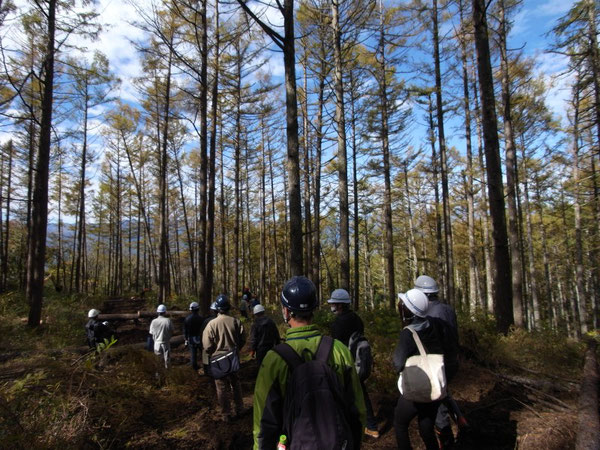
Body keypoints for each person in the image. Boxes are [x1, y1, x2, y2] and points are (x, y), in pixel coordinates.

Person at [253, 276, 366, 449]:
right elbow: (357, 410)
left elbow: (264, 423)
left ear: (286, 311)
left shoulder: (273, 360)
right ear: (314, 308)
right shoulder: (339, 350)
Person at [393, 289, 457, 450]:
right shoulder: (434, 325)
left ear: (410, 311)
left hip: (416, 389)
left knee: (400, 424)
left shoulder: (408, 334)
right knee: (426, 427)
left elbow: (398, 363)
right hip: (435, 388)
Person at [414, 275, 465, 447]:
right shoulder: (447, 309)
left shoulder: (428, 314)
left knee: (436, 400)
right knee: (444, 391)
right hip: (452, 361)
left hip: (438, 363)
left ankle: (446, 437)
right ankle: (461, 419)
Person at [328, 288, 379, 439]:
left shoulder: (338, 323)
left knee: (341, 395)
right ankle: (371, 426)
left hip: (346, 364)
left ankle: (348, 427)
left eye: (334, 304)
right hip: (359, 363)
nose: (332, 306)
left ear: (340, 305)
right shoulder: (356, 318)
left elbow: (335, 346)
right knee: (361, 393)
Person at [202, 294, 245, 421]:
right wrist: (235, 349)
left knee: (221, 388)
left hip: (218, 359)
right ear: (228, 307)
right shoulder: (236, 321)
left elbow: (207, 345)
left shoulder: (211, 324)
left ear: (217, 308)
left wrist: (213, 352)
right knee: (236, 384)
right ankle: (240, 409)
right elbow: (242, 339)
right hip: (233, 357)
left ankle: (226, 414)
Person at [149, 304, 174, 369]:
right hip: (166, 343)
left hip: (157, 343)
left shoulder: (154, 321)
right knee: (167, 361)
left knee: (158, 361)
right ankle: (168, 375)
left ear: (158, 312)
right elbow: (172, 331)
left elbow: (151, 333)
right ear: (165, 312)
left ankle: (158, 375)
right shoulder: (168, 321)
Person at [184, 301, 205, 372]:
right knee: (203, 353)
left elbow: (185, 330)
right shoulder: (201, 319)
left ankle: (194, 368)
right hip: (200, 338)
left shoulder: (187, 319)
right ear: (198, 309)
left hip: (191, 339)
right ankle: (206, 367)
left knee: (193, 354)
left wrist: (186, 339)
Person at [201, 301, 218, 375]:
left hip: (208, 344)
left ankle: (208, 374)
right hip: (219, 346)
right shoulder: (223, 321)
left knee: (206, 360)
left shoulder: (206, 321)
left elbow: (201, 333)